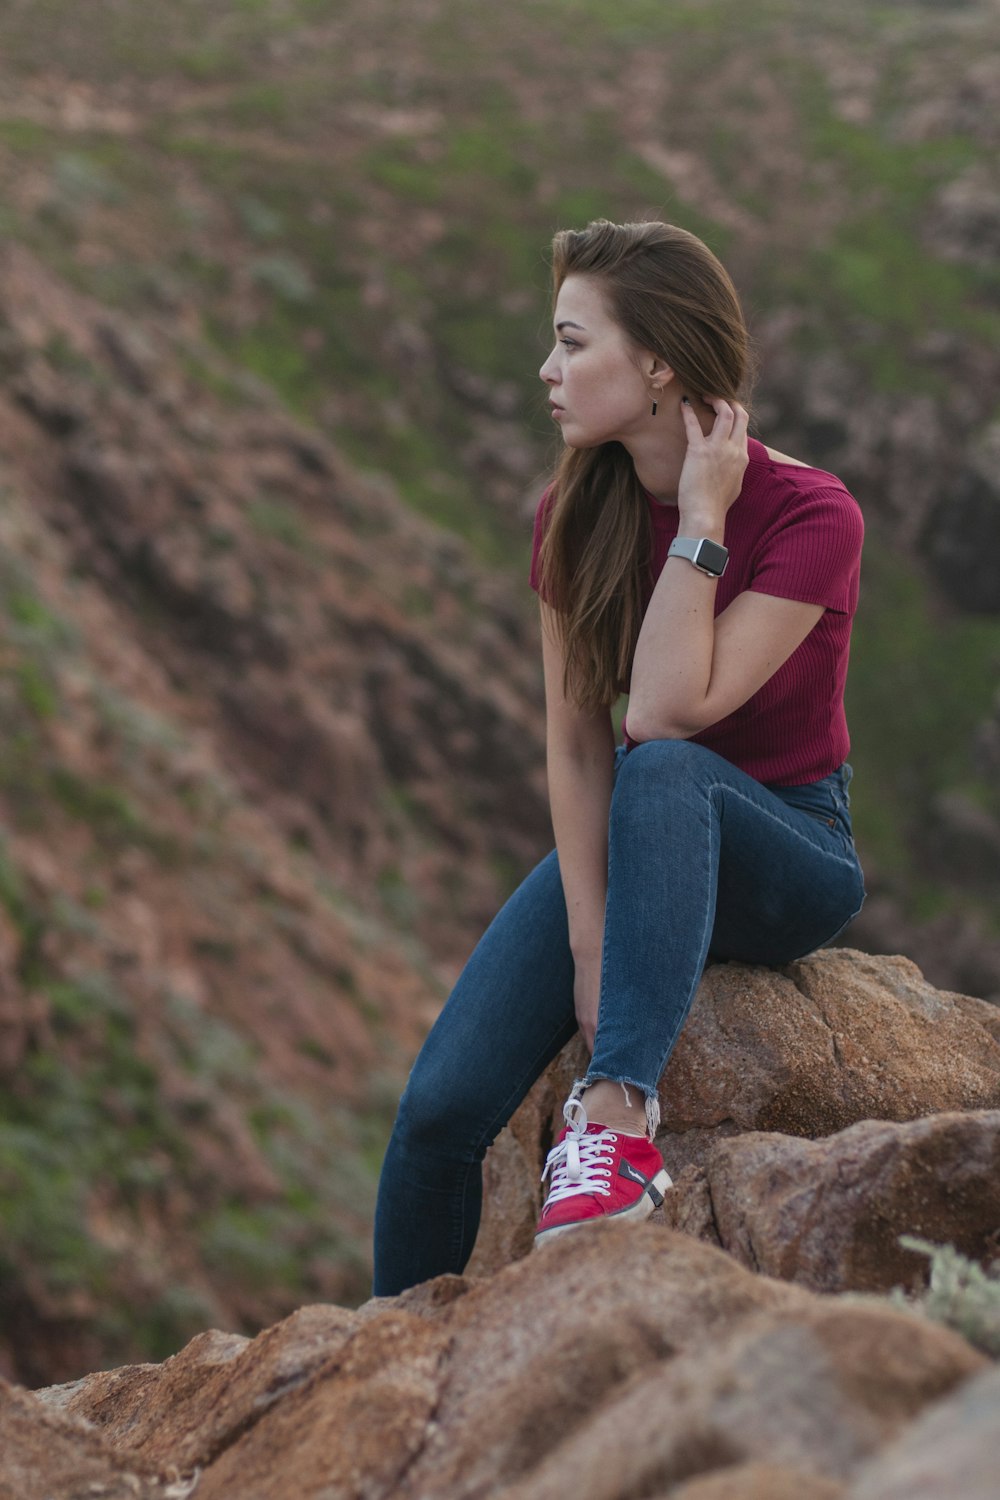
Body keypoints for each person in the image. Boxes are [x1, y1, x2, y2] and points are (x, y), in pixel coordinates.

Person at [373, 218, 865, 1294]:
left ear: (657, 367)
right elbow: (576, 742)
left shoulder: (812, 515)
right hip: (638, 827)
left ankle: (616, 1122)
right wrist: (591, 942)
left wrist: (700, 520)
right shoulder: (572, 516)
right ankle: (381, 1355)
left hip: (784, 847)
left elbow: (666, 713)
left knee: (666, 768)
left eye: (571, 343)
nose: (547, 373)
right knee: (438, 1116)